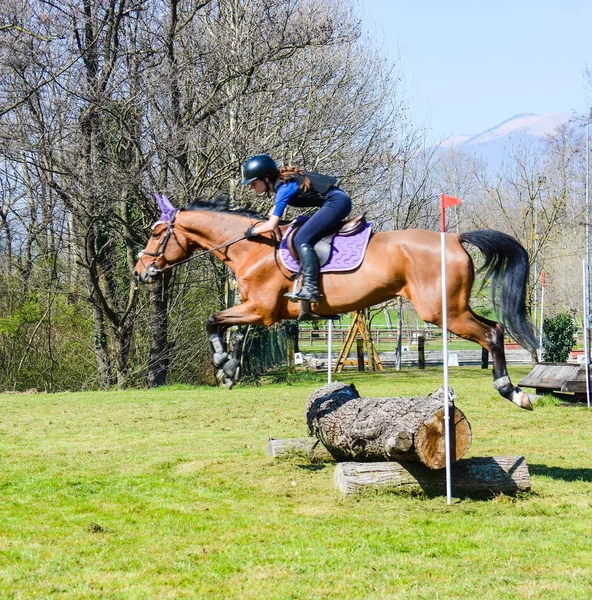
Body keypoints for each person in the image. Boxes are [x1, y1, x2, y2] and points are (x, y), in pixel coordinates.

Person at [241, 154, 352, 303]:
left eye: (253, 183)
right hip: (335, 201)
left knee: (301, 238)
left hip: (337, 203)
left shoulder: (283, 188)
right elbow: (274, 214)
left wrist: (252, 232)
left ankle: (311, 289)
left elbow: (271, 225)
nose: (251, 187)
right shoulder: (283, 184)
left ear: (266, 178)